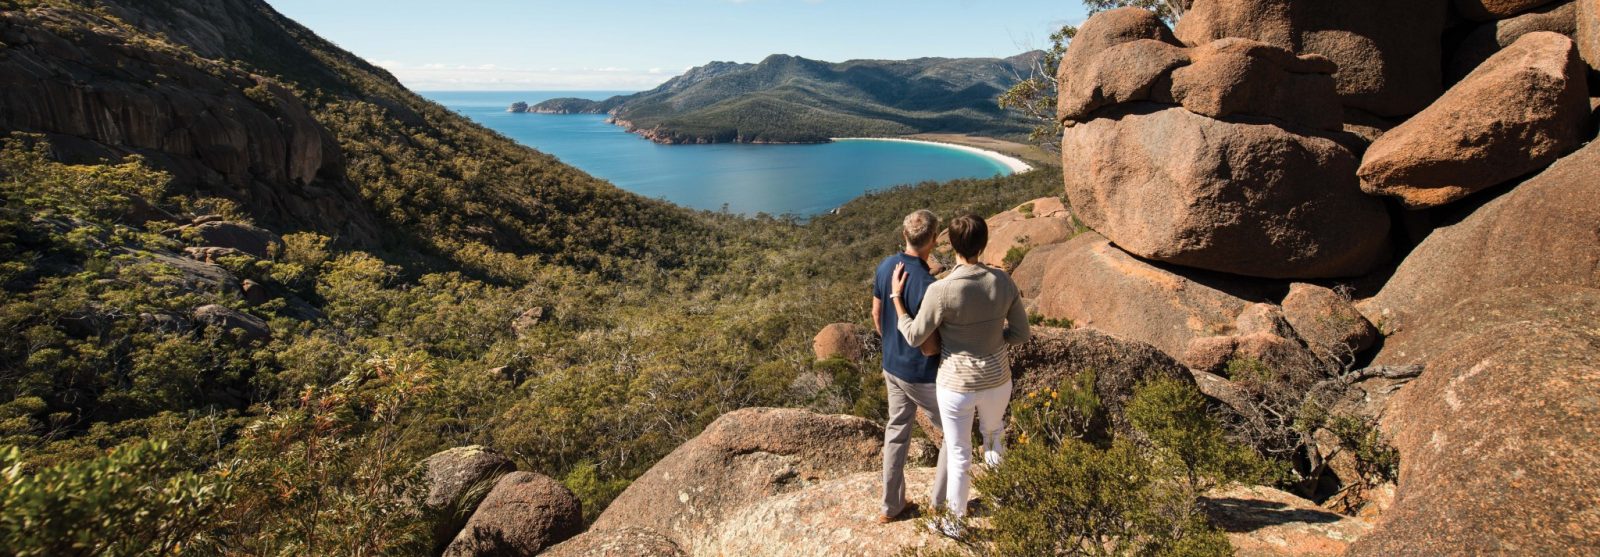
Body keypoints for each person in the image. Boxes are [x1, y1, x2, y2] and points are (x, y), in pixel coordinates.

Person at [891, 213, 1029, 536]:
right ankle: (1001, 502)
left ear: (951, 245)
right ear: (983, 243)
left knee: (958, 452)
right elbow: (1021, 333)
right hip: (997, 379)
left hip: (956, 383)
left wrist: (898, 302)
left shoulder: (941, 291)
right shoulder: (1003, 282)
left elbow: (914, 336)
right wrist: (995, 341)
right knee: (995, 437)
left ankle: (956, 522)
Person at [871, 209, 948, 524]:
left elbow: (877, 315)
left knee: (897, 432)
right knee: (954, 436)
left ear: (905, 235)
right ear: (932, 239)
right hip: (922, 375)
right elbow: (929, 345)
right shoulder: (929, 285)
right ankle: (941, 507)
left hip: (892, 366)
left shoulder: (887, 266)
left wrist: (893, 343)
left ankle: (891, 506)